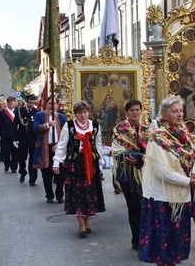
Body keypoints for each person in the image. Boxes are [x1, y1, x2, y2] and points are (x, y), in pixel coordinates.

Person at [139, 97, 195, 266]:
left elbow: (193, 157)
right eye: (174, 111)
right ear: (165, 114)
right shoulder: (158, 137)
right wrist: (188, 182)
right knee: (162, 239)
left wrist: (194, 174)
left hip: (181, 196)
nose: (179, 114)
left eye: (181, 110)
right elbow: (161, 172)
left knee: (178, 239)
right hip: (162, 197)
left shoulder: (185, 134)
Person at [52, 101, 106, 238]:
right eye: (79, 112)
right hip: (75, 164)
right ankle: (81, 225)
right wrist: (56, 163)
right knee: (78, 194)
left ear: (88, 112)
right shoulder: (69, 126)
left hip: (91, 164)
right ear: (75, 114)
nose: (82, 115)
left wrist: (100, 165)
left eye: (85, 112)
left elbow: (98, 146)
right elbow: (62, 145)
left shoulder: (94, 126)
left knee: (89, 193)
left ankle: (87, 222)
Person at [112, 99, 150, 250]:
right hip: (126, 172)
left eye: (137, 110)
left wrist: (139, 159)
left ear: (141, 111)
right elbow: (116, 150)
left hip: (144, 172)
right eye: (132, 110)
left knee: (143, 205)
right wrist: (134, 156)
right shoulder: (120, 129)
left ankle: (144, 237)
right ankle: (137, 239)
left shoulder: (147, 130)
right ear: (127, 112)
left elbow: (152, 150)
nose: (135, 112)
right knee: (133, 206)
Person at [34, 97, 66, 203]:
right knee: (46, 174)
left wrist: (59, 145)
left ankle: (60, 195)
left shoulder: (61, 116)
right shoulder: (39, 115)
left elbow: (65, 133)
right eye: (50, 103)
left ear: (58, 105)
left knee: (60, 173)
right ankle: (49, 195)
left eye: (54, 103)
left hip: (58, 148)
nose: (52, 106)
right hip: (45, 147)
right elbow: (35, 128)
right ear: (46, 105)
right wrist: (47, 125)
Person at [16, 98, 38, 185]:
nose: (31, 104)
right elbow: (15, 124)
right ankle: (22, 172)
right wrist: (15, 138)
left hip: (33, 139)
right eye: (30, 102)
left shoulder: (36, 112)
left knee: (33, 160)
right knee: (22, 159)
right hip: (22, 138)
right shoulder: (20, 111)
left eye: (33, 103)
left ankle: (32, 179)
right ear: (27, 102)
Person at [0, 96, 19, 173]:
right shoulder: (3, 112)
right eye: (9, 103)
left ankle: (14, 167)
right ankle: (7, 165)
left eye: (12, 102)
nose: (11, 104)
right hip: (5, 135)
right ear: (7, 103)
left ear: (14, 103)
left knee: (15, 152)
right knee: (6, 151)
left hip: (15, 135)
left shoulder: (18, 111)